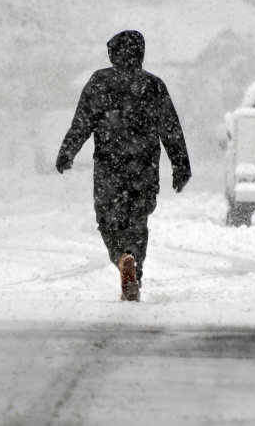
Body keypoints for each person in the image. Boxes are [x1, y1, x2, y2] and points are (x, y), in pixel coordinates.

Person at [56, 30, 191, 301]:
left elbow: (82, 122)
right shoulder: (154, 86)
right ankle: (134, 271)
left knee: (108, 220)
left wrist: (67, 151)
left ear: (113, 53)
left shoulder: (100, 82)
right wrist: (180, 165)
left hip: (109, 168)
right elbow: (171, 128)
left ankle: (122, 258)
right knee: (137, 222)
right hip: (144, 168)